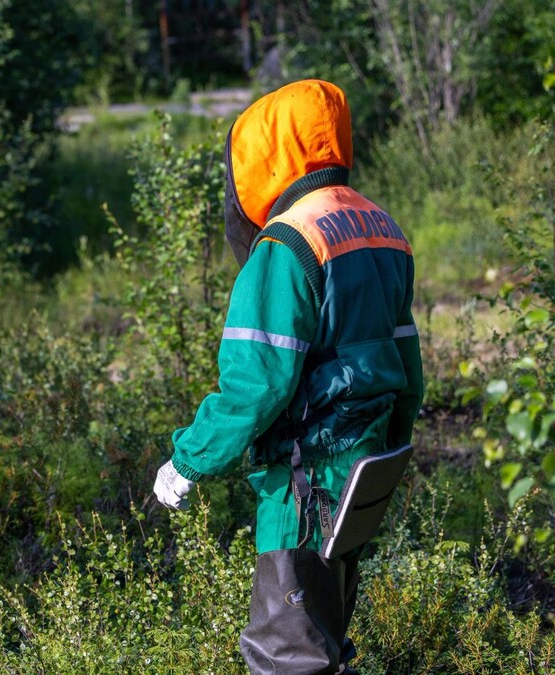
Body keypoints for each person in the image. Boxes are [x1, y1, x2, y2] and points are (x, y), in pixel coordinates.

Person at [152, 80, 424, 674]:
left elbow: (259, 383)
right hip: (361, 480)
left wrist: (189, 459)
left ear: (266, 153)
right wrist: (389, 452)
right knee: (326, 643)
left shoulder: (287, 242)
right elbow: (409, 372)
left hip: (304, 494)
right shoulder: (380, 227)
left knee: (287, 658)